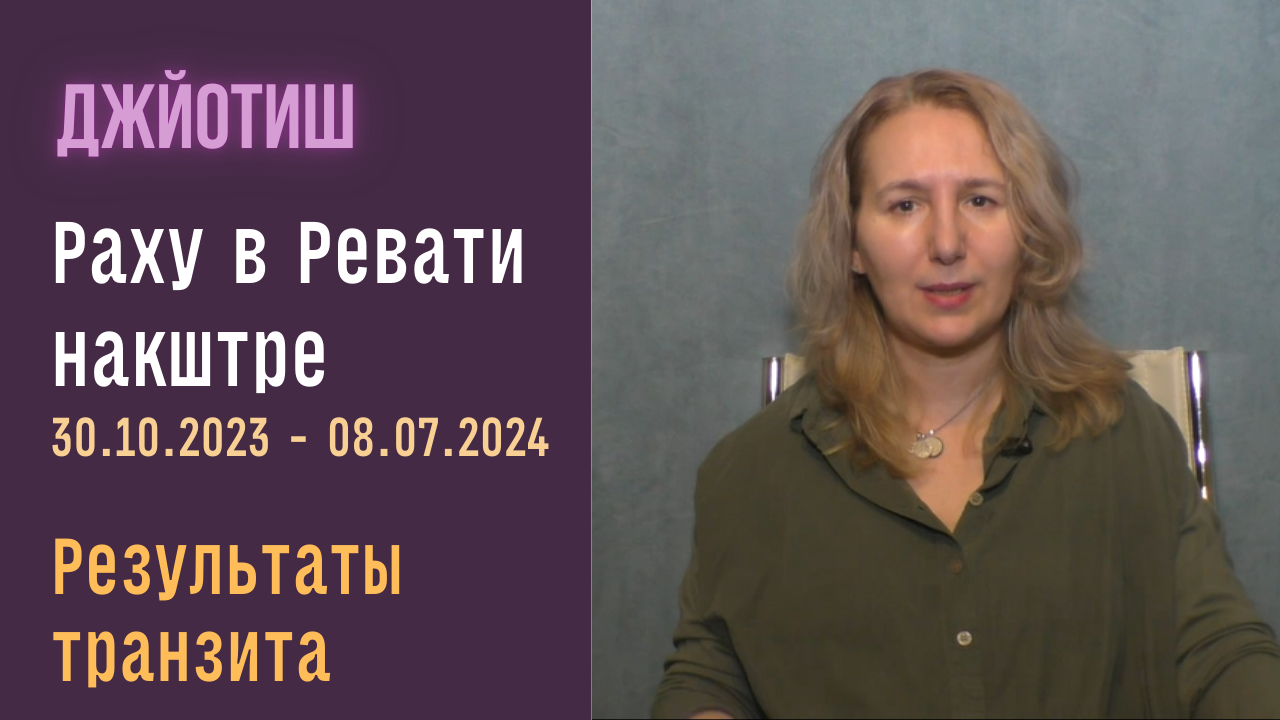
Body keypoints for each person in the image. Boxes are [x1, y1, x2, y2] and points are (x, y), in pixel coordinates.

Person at [650, 69, 1280, 719]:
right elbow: (709, 676)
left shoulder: (1123, 433)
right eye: (905, 205)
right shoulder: (750, 471)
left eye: (980, 200)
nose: (947, 244)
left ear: (1027, 232)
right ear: (852, 243)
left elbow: (1218, 648)